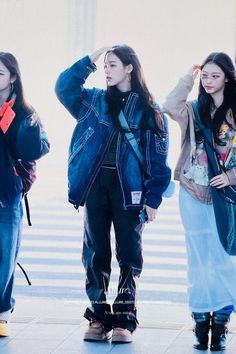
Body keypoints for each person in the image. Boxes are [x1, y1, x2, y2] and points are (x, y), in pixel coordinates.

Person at [55, 45, 171, 343]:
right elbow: (64, 87)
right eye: (105, 65)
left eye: (112, 65)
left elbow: (158, 159)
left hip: (129, 188)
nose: (106, 70)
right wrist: (90, 59)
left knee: (129, 254)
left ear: (129, 68)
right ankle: (98, 316)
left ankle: (124, 320)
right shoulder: (92, 100)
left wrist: (153, 198)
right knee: (95, 252)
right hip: (95, 185)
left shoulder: (149, 110)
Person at [162, 52, 236, 351]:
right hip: (193, 193)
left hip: (226, 196)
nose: (208, 81)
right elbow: (169, 106)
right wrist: (188, 79)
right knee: (198, 260)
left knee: (223, 259)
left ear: (228, 78)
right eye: (205, 75)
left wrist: (231, 177)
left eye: (214, 76)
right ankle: (200, 323)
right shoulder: (194, 109)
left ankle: (220, 325)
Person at [0, 52, 50, 337]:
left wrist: (29, 130)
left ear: (13, 78)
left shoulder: (25, 112)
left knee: (5, 256)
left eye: (0, 73)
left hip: (7, 194)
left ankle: (2, 313)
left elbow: (36, 150)